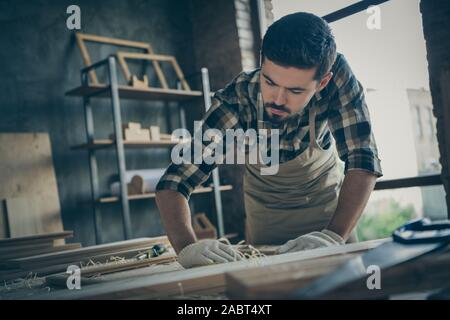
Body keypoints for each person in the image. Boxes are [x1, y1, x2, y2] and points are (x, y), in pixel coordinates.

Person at [155, 12, 382, 268]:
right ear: (261, 63)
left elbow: (363, 159)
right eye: (269, 82)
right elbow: (175, 180)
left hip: (329, 220)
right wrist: (187, 247)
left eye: (295, 90)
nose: (277, 99)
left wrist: (333, 235)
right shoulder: (238, 99)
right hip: (266, 225)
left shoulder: (337, 76)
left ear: (323, 82)